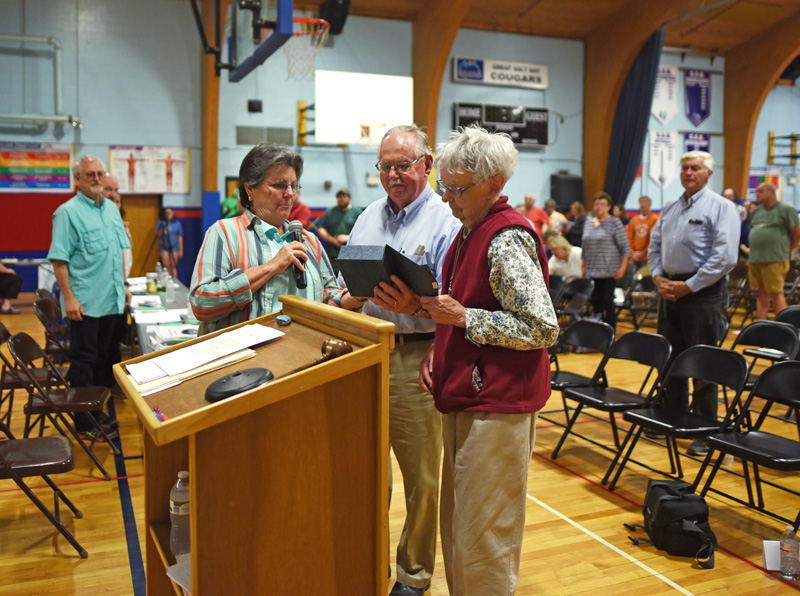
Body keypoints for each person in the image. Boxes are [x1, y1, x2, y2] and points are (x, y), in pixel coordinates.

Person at [418, 125, 559, 595]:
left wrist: (464, 319)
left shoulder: (506, 238)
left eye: (459, 189)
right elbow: (459, 315)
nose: (449, 198)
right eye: (446, 187)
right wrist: (439, 352)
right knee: (460, 526)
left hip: (498, 404)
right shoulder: (468, 232)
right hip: (467, 393)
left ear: (494, 183)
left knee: (484, 535)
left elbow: (542, 328)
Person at [345, 124, 460, 596]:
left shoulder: (447, 222)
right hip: (365, 356)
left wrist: (416, 307)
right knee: (368, 473)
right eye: (385, 166)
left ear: (427, 166)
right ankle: (368, 561)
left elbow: (458, 302)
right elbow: (352, 278)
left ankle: (413, 575)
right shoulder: (368, 215)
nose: (393, 175)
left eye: (403, 165)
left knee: (421, 478)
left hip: (419, 358)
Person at [190, 143, 364, 336]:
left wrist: (357, 296)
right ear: (250, 189)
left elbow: (328, 298)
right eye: (279, 185)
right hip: (245, 361)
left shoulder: (310, 241)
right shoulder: (224, 232)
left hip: (304, 357)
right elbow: (201, 304)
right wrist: (271, 266)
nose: (290, 194)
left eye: (294, 185)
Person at [648, 150, 739, 456]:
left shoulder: (722, 207)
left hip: (702, 293)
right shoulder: (671, 208)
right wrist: (658, 277)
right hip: (670, 290)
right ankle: (674, 420)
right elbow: (654, 247)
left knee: (703, 364)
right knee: (671, 360)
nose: (689, 172)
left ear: (708, 173)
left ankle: (705, 429)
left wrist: (690, 286)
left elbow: (725, 257)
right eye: (685, 167)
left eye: (696, 168)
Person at [47, 155, 130, 439]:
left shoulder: (110, 209)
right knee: (84, 362)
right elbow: (59, 261)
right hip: (84, 304)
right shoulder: (67, 213)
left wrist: (125, 285)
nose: (96, 178)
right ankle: (84, 422)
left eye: (99, 173)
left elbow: (118, 252)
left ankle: (99, 412)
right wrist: (68, 298)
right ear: (78, 180)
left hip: (112, 300)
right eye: (89, 174)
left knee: (106, 360)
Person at [747, 182, 800, 319]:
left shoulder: (786, 209)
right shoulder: (757, 211)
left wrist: (787, 249)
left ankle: (782, 325)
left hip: (775, 259)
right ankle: (761, 324)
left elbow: (796, 232)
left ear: (771, 192)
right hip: (756, 258)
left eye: (760, 191)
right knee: (761, 292)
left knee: (777, 292)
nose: (757, 194)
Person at [581, 191, 629, 329]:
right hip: (592, 270)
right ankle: (597, 334)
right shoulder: (588, 223)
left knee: (608, 303)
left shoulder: (614, 223)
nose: (598, 207)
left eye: (602, 204)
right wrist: (583, 267)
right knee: (595, 303)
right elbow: (584, 248)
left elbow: (625, 247)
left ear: (608, 207)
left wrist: (623, 268)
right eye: (596, 204)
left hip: (609, 272)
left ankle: (610, 333)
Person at [316, 188, 362, 273]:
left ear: (349, 198)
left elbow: (363, 230)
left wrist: (348, 237)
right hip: (332, 254)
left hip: (351, 253)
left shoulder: (356, 212)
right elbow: (322, 229)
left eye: (344, 196)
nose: (341, 199)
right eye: (339, 197)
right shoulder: (330, 211)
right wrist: (332, 240)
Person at [102, 173, 133, 279]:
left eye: (118, 202)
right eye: (108, 189)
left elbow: (125, 256)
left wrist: (124, 283)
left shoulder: (122, 225)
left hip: (121, 279)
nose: (114, 195)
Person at [626, 195, 659, 270]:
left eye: (645, 202)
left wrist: (643, 253)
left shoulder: (655, 219)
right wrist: (632, 252)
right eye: (640, 202)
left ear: (650, 204)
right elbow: (629, 237)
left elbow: (654, 239)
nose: (642, 204)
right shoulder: (634, 219)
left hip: (648, 258)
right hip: (634, 256)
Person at [156, 208, 183, 279]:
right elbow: (157, 235)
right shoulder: (161, 222)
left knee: (173, 266)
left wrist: (181, 249)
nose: (167, 215)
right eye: (166, 213)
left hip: (174, 247)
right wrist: (163, 228)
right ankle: (167, 281)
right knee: (166, 265)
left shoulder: (177, 224)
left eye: (169, 213)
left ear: (173, 213)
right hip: (164, 246)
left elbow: (180, 236)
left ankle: (175, 281)